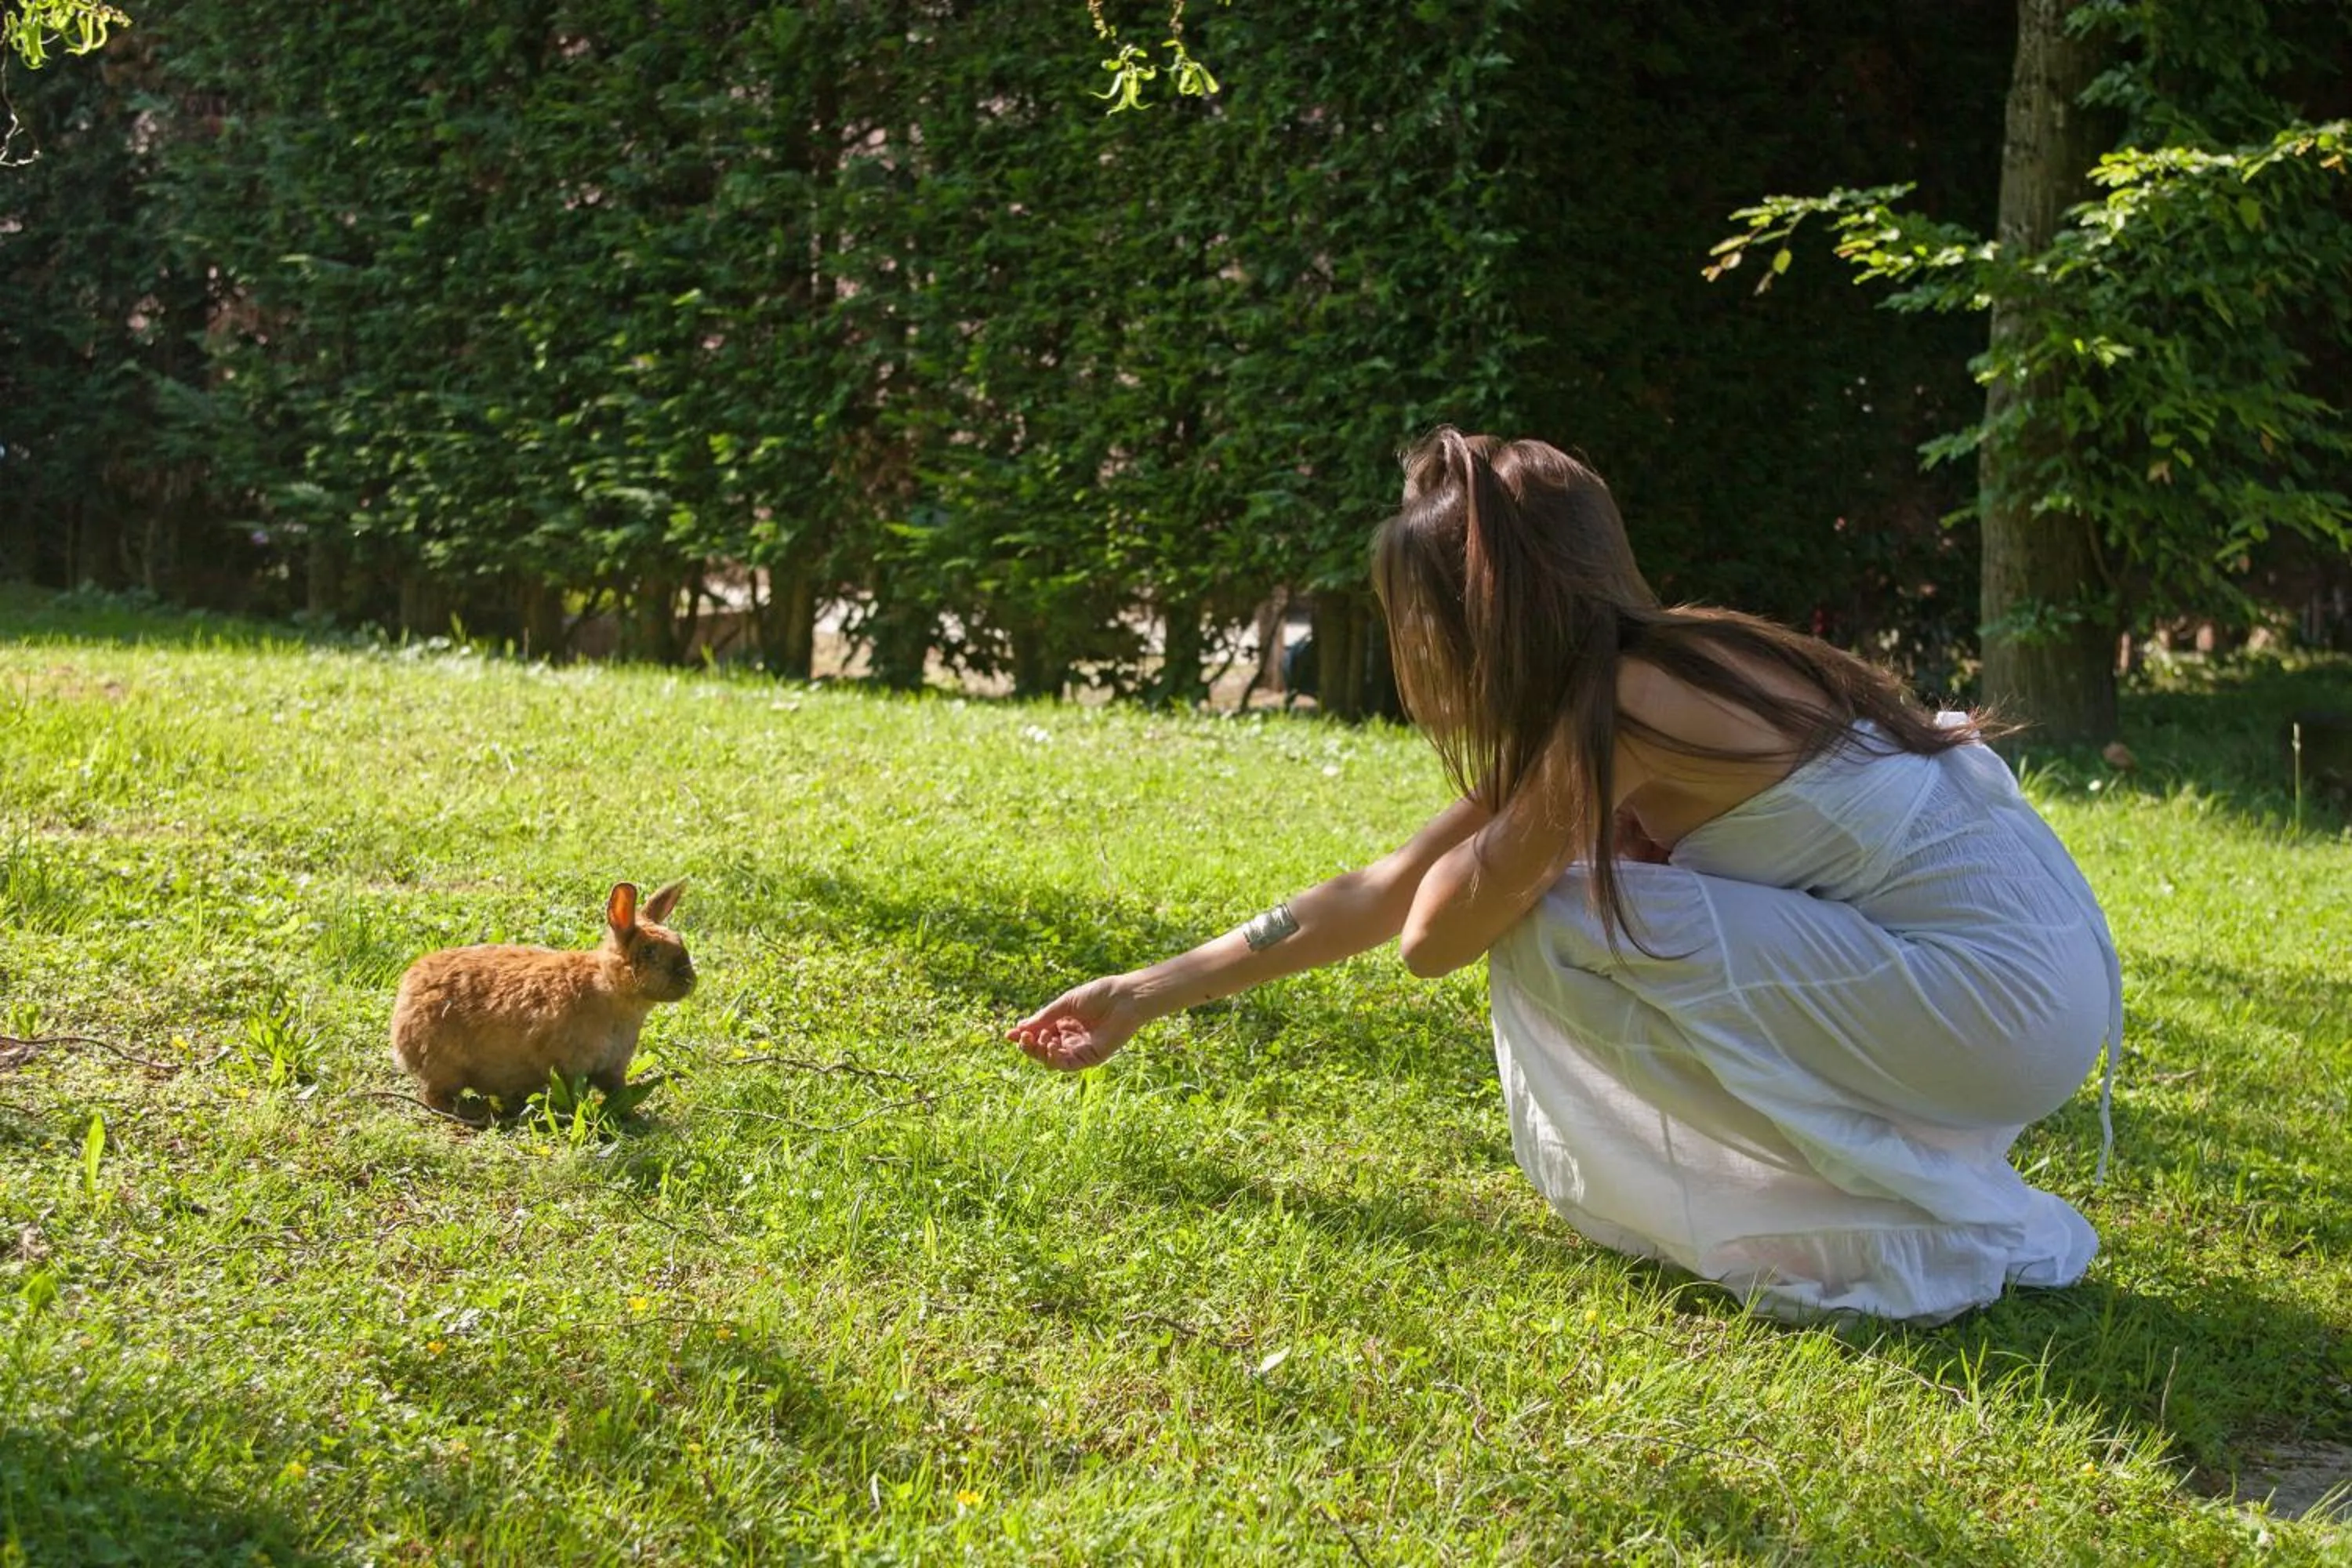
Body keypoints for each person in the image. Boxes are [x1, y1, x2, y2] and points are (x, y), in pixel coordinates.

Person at [1008, 429, 2122, 1325]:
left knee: (1552, 910)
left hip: (1997, 1009)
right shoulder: (1667, 662)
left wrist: (1559, 852)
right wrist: (1143, 993)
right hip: (2036, 996)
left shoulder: (1626, 711)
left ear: (1477, 616)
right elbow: (1390, 882)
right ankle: (1853, 1205)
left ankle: (1856, 1225)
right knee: (1557, 884)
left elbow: (1432, 934)